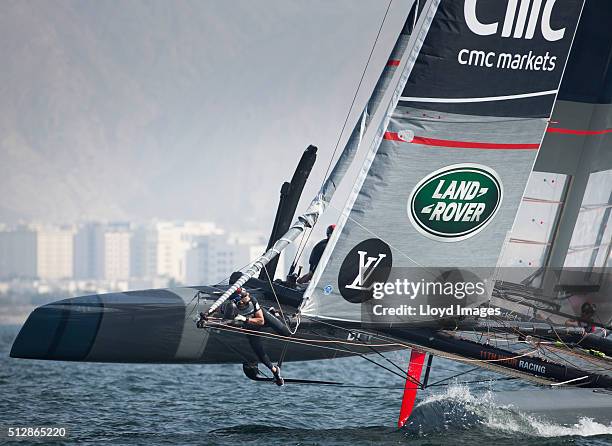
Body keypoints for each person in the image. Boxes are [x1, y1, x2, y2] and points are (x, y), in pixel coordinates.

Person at [221, 288, 288, 386]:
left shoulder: (252, 301)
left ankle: (274, 313)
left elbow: (261, 321)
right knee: (259, 352)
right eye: (244, 297)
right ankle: (275, 372)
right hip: (251, 327)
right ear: (237, 300)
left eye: (246, 295)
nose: (247, 298)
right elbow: (217, 308)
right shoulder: (230, 305)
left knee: (286, 333)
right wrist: (205, 315)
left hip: (260, 318)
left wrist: (245, 319)